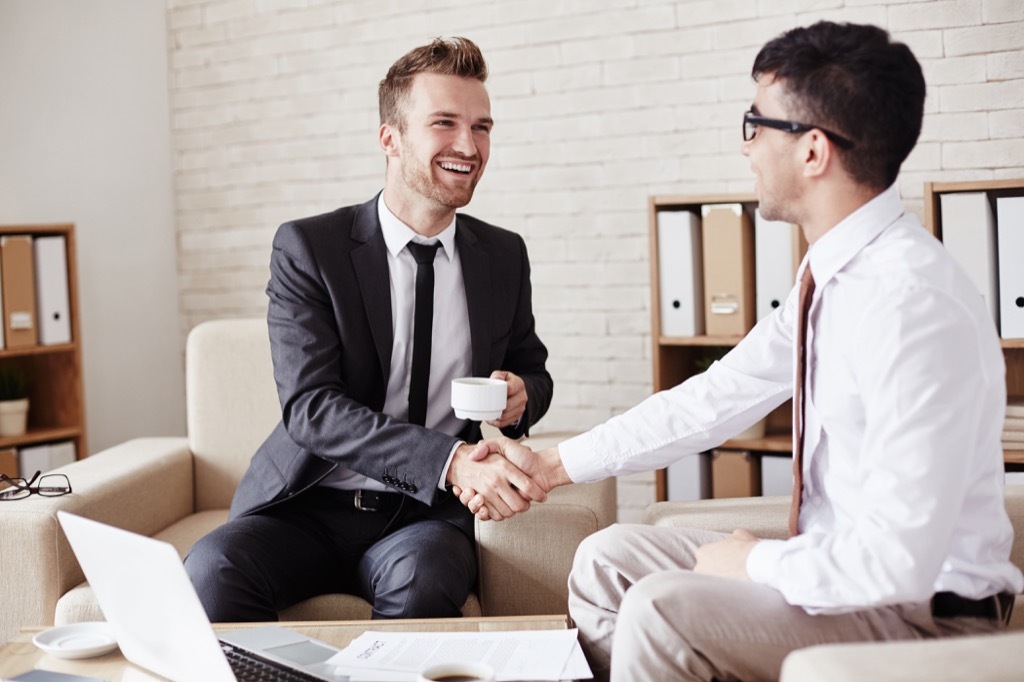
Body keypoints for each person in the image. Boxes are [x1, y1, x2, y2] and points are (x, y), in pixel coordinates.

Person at [459, 20, 1024, 681]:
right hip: (844, 570)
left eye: (756, 124)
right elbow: (711, 400)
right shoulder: (833, 278)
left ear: (814, 151)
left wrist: (753, 561)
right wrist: (549, 465)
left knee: (662, 611)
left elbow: (895, 563)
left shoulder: (909, 303)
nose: (747, 147)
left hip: (923, 609)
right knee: (604, 559)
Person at [184, 36, 553, 622]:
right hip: (304, 505)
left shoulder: (503, 255)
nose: (469, 145)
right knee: (209, 572)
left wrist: (522, 395)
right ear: (390, 137)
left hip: (424, 516)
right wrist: (450, 459)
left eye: (482, 127)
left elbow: (533, 367)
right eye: (444, 123)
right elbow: (311, 407)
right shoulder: (310, 247)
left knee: (426, 583)